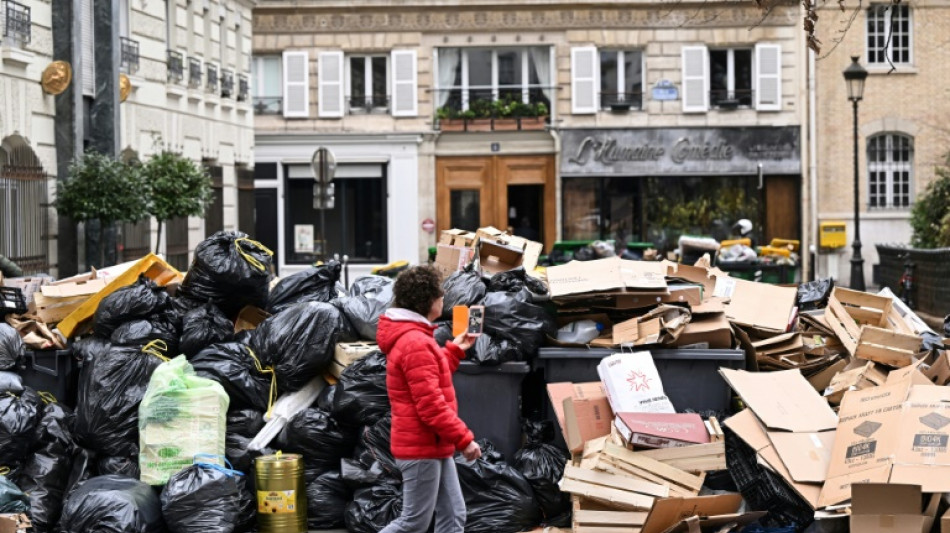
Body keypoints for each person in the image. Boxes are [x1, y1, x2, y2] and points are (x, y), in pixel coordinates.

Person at [376, 265, 481, 533]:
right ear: (428, 301)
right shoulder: (415, 342)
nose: (443, 300)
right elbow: (430, 405)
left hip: (432, 444)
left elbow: (428, 375)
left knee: (453, 515)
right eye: (441, 296)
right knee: (413, 523)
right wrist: (464, 439)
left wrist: (455, 351)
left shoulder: (416, 338)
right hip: (422, 447)